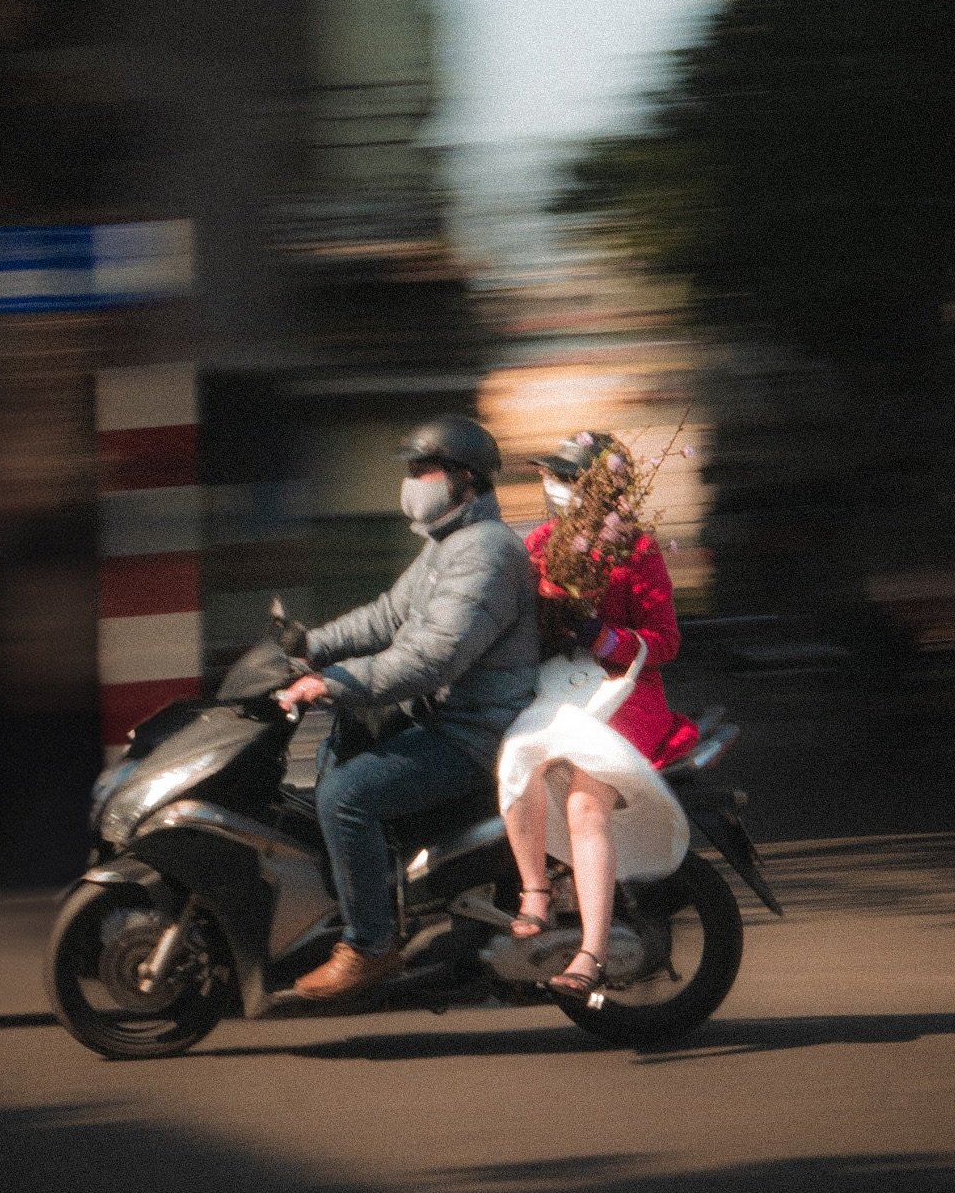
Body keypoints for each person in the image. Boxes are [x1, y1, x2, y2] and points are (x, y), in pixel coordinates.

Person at [275, 416, 539, 1000]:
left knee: (347, 798)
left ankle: (370, 946)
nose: (413, 483)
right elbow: (387, 616)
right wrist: (310, 645)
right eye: (412, 471)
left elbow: (434, 659)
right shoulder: (448, 544)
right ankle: (375, 902)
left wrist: (336, 682)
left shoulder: (486, 553)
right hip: (440, 717)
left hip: (473, 733)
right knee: (334, 755)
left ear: (466, 480)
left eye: (425, 470)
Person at [500, 431, 698, 998]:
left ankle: (591, 952)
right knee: (515, 761)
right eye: (549, 476)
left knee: (586, 803)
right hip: (556, 689)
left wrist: (602, 636)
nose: (553, 487)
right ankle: (535, 891)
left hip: (622, 696)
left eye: (566, 478)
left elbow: (664, 641)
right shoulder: (538, 543)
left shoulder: (637, 549)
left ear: (600, 489)